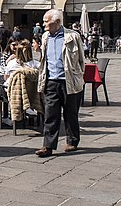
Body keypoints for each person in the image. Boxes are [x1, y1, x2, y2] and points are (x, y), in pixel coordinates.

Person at [35, 8, 84, 157]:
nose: (44, 25)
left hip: (68, 81)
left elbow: (81, 60)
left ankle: (72, 141)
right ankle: (48, 146)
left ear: (57, 22)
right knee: (51, 114)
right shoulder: (45, 37)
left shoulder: (72, 36)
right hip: (51, 81)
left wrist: (77, 76)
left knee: (71, 114)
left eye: (46, 22)